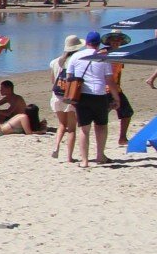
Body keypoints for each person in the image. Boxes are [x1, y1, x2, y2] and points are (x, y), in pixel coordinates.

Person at [63, 31, 117, 165]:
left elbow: (69, 77)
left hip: (82, 96)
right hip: (99, 94)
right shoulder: (103, 57)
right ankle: (100, 156)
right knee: (101, 126)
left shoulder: (75, 56)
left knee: (84, 128)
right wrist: (116, 98)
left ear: (86, 43)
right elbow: (109, 80)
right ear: (99, 44)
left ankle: (84, 160)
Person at [49, 34, 82, 163]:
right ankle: (69, 156)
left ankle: (56, 146)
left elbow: (53, 80)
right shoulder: (77, 61)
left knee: (62, 124)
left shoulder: (55, 62)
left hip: (57, 96)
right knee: (72, 129)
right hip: (70, 97)